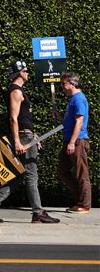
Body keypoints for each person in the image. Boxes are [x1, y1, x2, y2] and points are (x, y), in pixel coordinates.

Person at [0, 61, 59, 224]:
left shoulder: (19, 90)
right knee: (31, 175)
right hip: (22, 138)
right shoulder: (15, 91)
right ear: (19, 73)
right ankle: (38, 212)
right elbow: (13, 118)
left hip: (27, 136)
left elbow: (24, 119)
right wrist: (17, 141)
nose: (28, 72)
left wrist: (34, 137)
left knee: (20, 174)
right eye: (26, 70)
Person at [55, 71, 91, 214]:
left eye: (64, 84)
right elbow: (71, 119)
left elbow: (79, 121)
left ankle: (85, 204)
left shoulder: (78, 98)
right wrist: (61, 116)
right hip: (70, 140)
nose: (62, 87)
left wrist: (72, 142)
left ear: (72, 83)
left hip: (77, 141)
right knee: (62, 171)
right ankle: (80, 200)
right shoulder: (72, 99)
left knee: (81, 173)